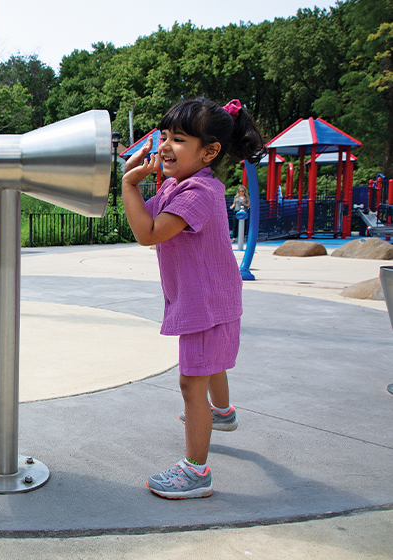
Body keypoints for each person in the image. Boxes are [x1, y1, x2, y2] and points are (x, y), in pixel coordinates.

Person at [121, 98, 264, 499]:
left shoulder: (199, 192)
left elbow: (148, 233)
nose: (164, 145)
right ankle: (223, 413)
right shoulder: (176, 186)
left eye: (178, 139)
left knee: (190, 382)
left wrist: (128, 184)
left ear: (209, 151)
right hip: (210, 298)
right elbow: (147, 223)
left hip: (205, 303)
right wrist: (136, 190)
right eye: (164, 136)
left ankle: (197, 473)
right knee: (211, 364)